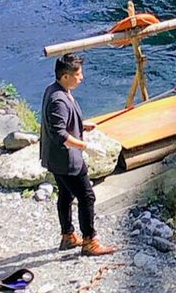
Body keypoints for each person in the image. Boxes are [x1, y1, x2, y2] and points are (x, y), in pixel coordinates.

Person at [39, 53, 117, 257]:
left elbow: (59, 123)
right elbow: (59, 133)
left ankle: (68, 236)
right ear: (65, 76)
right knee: (87, 196)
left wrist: (81, 125)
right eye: (78, 74)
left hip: (54, 158)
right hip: (67, 160)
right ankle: (90, 241)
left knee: (65, 195)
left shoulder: (54, 90)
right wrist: (86, 146)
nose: (81, 77)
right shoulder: (59, 99)